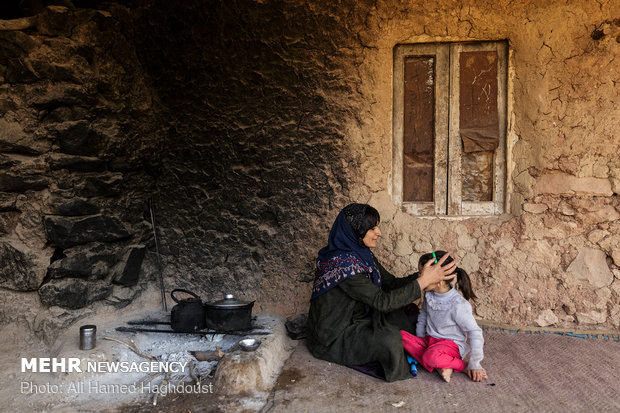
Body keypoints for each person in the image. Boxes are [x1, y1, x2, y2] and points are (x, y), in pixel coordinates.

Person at [306, 203, 457, 382]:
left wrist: (424, 275)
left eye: (377, 226)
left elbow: (391, 284)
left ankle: (431, 354)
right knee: (390, 340)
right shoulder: (342, 265)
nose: (379, 232)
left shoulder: (361, 254)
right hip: (335, 335)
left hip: (359, 317)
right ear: (355, 232)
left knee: (408, 316)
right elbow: (382, 302)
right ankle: (424, 358)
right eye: (372, 228)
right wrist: (423, 281)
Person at [400, 251, 487, 383]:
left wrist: (475, 363)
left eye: (423, 274)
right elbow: (423, 316)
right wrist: (419, 339)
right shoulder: (430, 296)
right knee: (399, 337)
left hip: (450, 346)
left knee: (430, 356)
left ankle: (461, 365)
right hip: (430, 341)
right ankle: (442, 366)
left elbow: (475, 332)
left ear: (440, 282)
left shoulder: (458, 305)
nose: (419, 278)